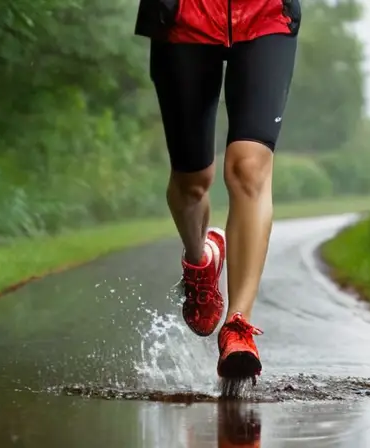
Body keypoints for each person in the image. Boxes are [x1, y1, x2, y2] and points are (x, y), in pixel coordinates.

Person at [134, 0, 301, 380]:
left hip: (266, 15)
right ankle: (200, 259)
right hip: (184, 16)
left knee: (248, 166)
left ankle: (238, 326)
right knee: (192, 183)